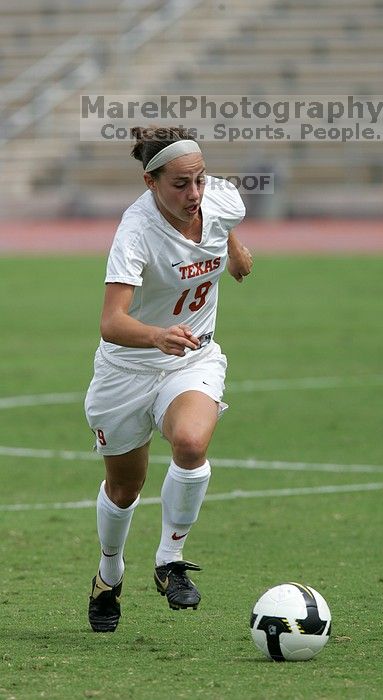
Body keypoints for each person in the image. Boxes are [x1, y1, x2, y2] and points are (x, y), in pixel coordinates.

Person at [84, 126, 253, 632]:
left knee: (191, 442)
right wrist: (156, 336)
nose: (194, 193)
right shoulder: (135, 232)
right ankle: (109, 572)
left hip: (191, 358)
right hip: (127, 369)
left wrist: (234, 252)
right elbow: (111, 322)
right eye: (181, 184)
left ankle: (169, 561)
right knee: (123, 489)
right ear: (151, 182)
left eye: (200, 179)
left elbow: (222, 220)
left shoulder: (218, 200)